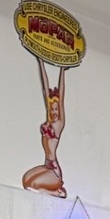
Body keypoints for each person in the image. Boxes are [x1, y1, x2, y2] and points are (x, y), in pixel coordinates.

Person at [22, 57, 68, 198]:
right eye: (52, 109)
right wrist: (40, 62)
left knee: (32, 185)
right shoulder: (48, 122)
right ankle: (54, 190)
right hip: (46, 165)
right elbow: (45, 88)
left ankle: (57, 191)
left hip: (54, 171)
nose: (54, 112)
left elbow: (61, 95)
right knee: (25, 181)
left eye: (56, 109)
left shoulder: (59, 124)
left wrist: (62, 70)